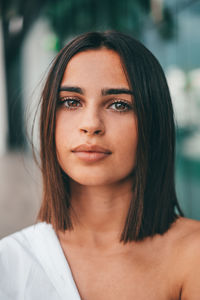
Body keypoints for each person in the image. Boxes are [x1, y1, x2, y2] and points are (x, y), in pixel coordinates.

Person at [0, 31, 200, 300]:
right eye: (71, 102)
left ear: (153, 122)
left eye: (118, 105)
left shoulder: (192, 253)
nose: (91, 124)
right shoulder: (11, 262)